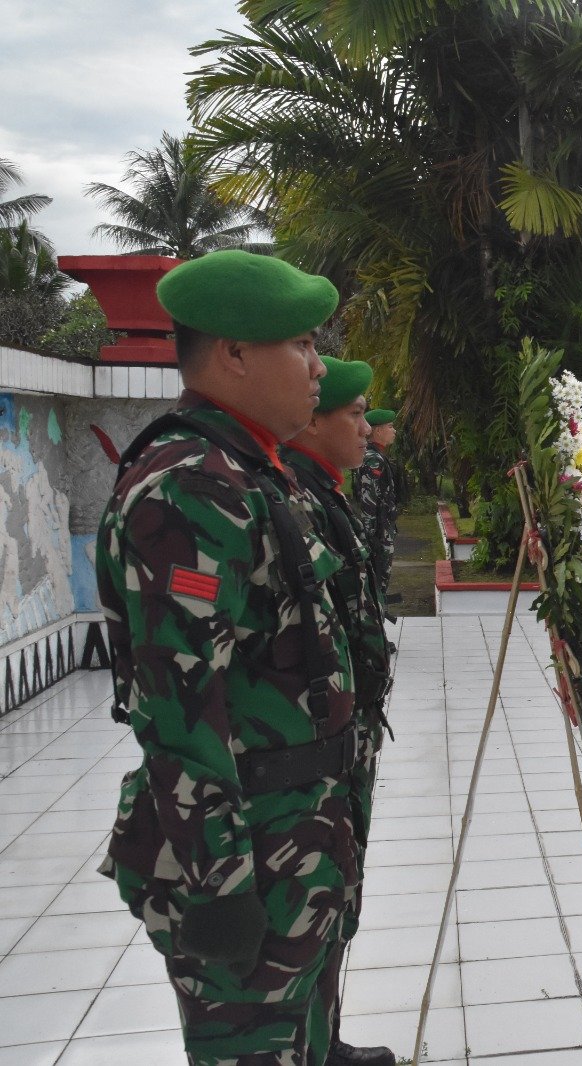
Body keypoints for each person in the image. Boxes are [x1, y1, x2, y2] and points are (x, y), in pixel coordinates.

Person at [96, 250, 364, 1065]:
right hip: (247, 850)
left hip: (297, 832)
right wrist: (219, 888)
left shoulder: (251, 470)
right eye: (301, 345)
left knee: (304, 1037)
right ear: (235, 354)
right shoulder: (189, 488)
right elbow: (177, 708)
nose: (319, 367)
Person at [282, 358, 397, 1066]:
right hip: (295, 762)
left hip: (340, 741)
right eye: (353, 414)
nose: (366, 426)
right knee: (307, 910)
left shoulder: (321, 491)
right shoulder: (289, 494)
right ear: (313, 422)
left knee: (332, 902)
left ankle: (322, 1042)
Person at [355, 408, 400, 600]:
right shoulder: (373, 459)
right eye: (390, 427)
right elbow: (369, 499)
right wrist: (370, 536)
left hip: (383, 527)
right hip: (378, 532)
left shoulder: (376, 456)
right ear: (378, 431)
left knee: (380, 577)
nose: (394, 430)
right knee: (378, 578)